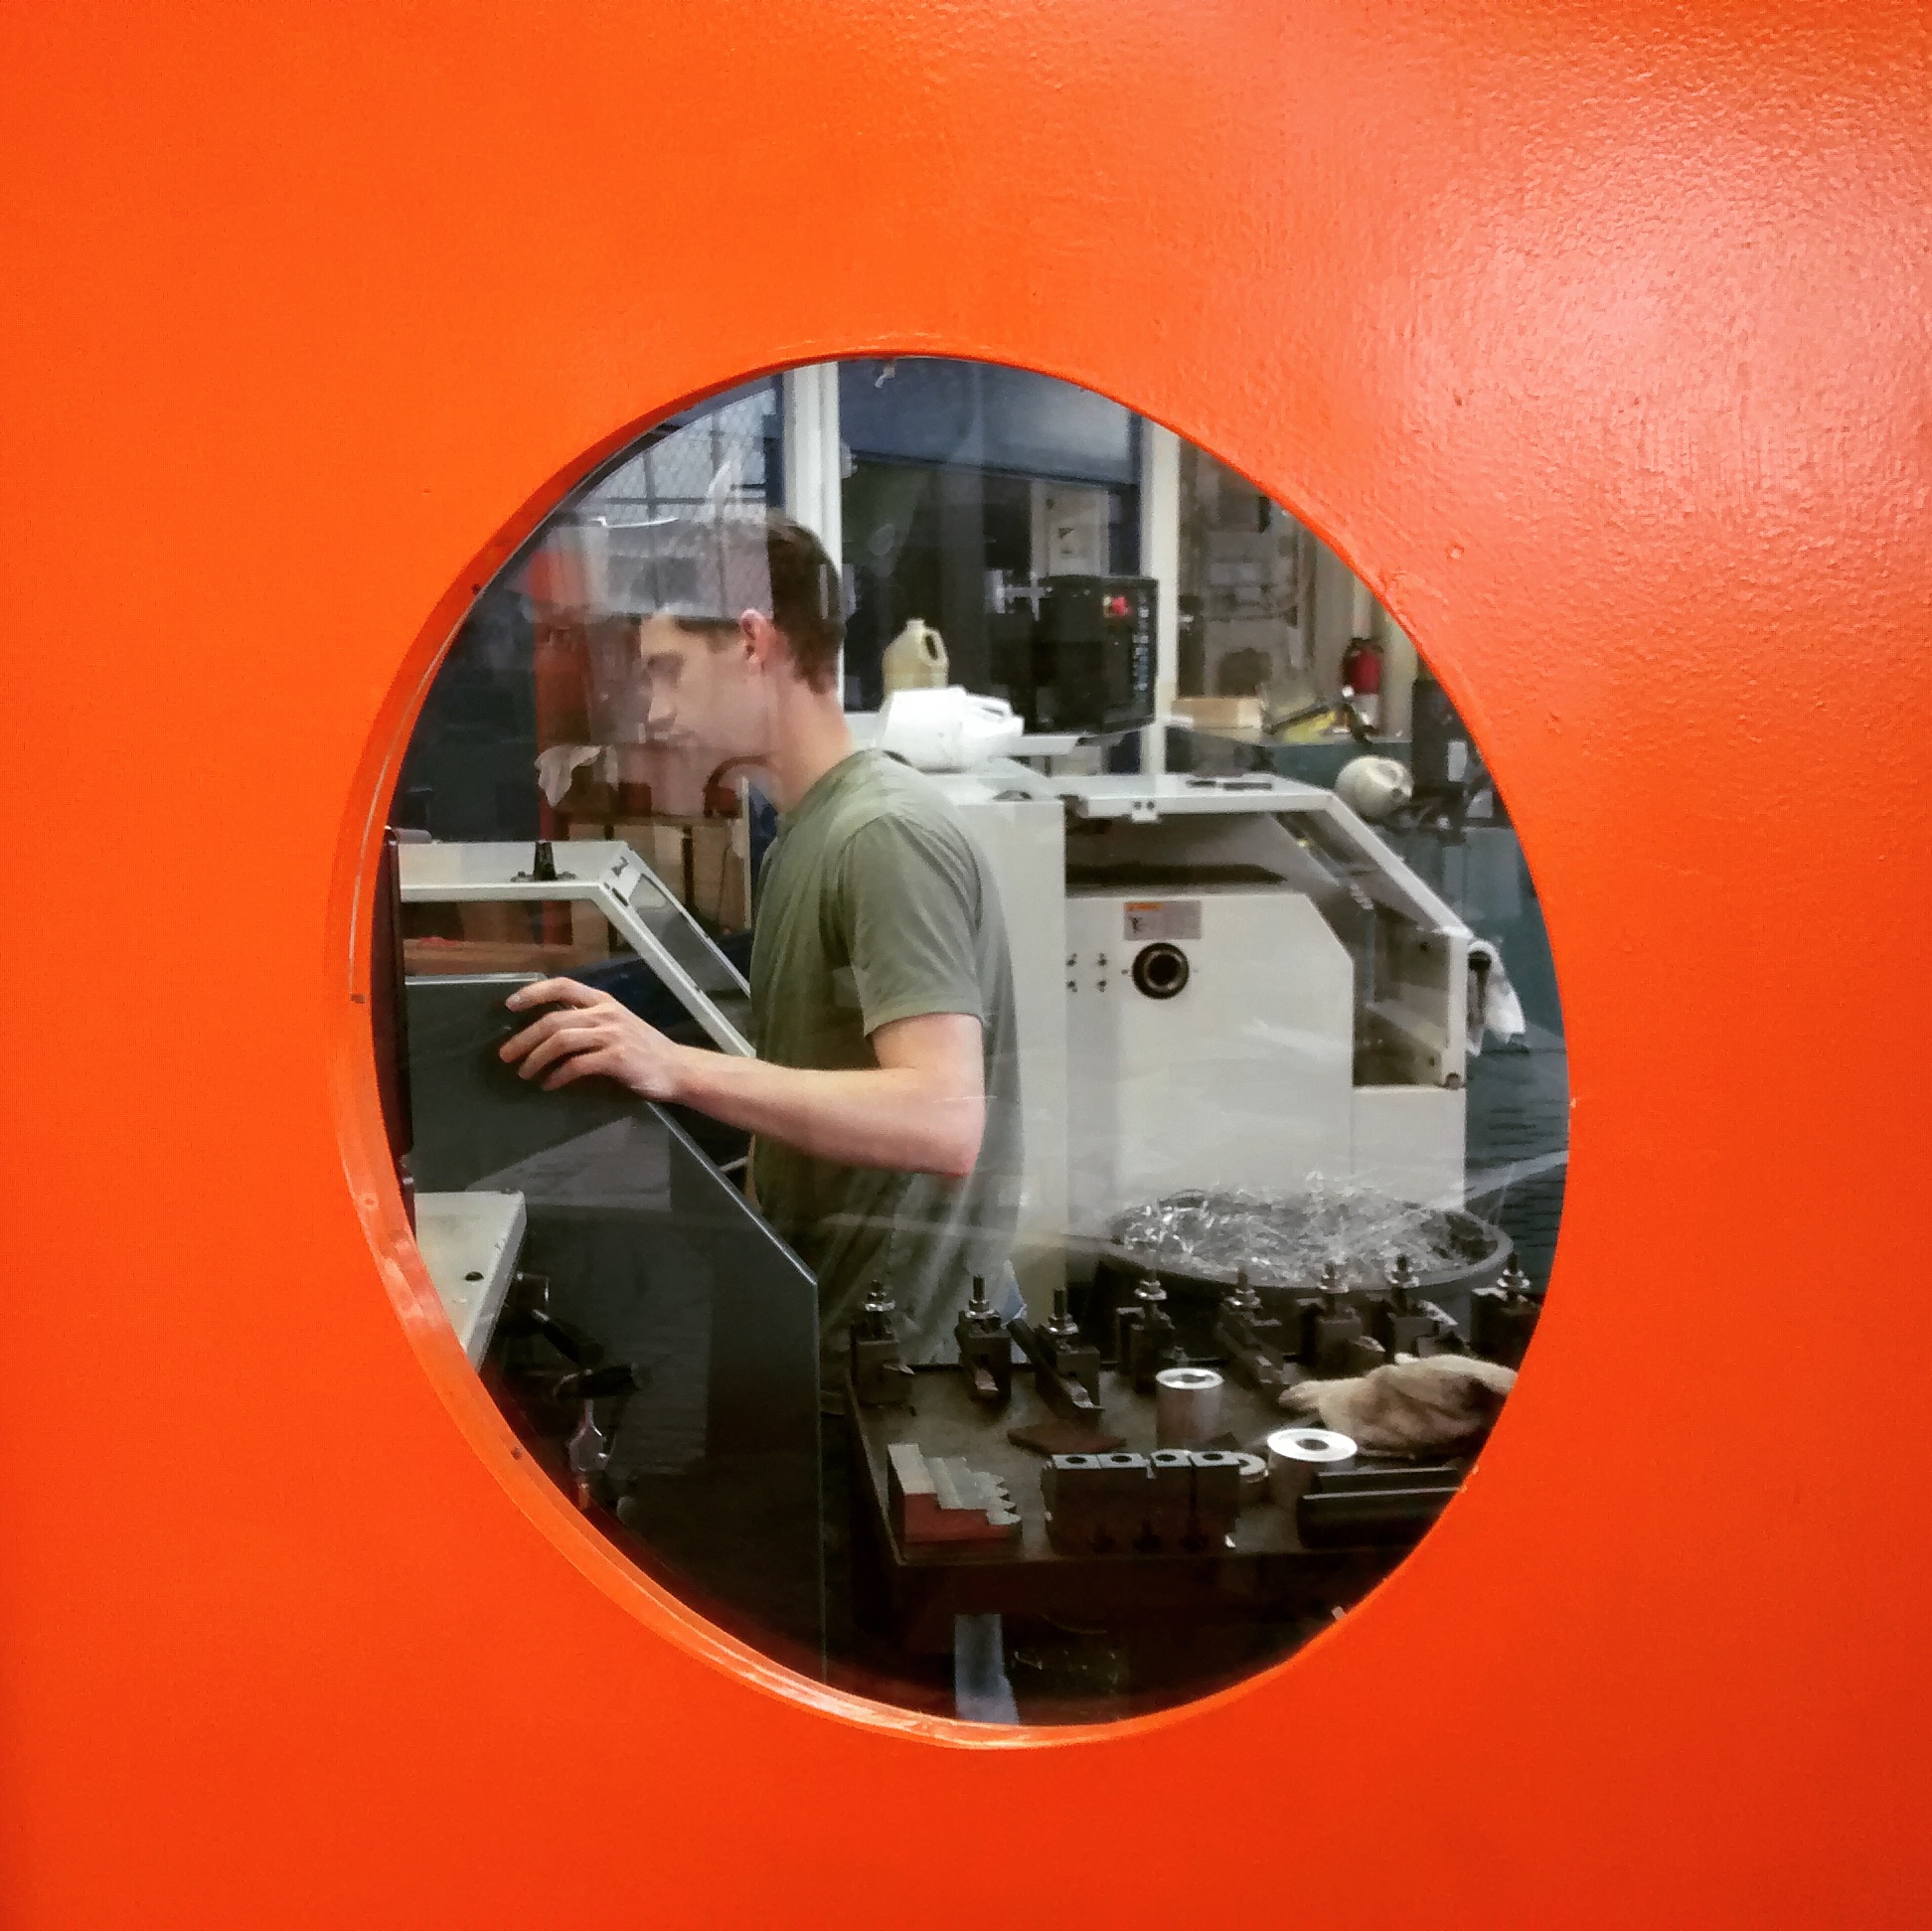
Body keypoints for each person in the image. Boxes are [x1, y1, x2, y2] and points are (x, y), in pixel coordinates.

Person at [498, 509, 1024, 1380]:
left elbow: (943, 1118)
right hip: (836, 1328)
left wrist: (674, 1066)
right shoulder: (805, 831)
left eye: (668, 671)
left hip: (906, 1368)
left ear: (752, 641)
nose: (657, 710)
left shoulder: (881, 835)